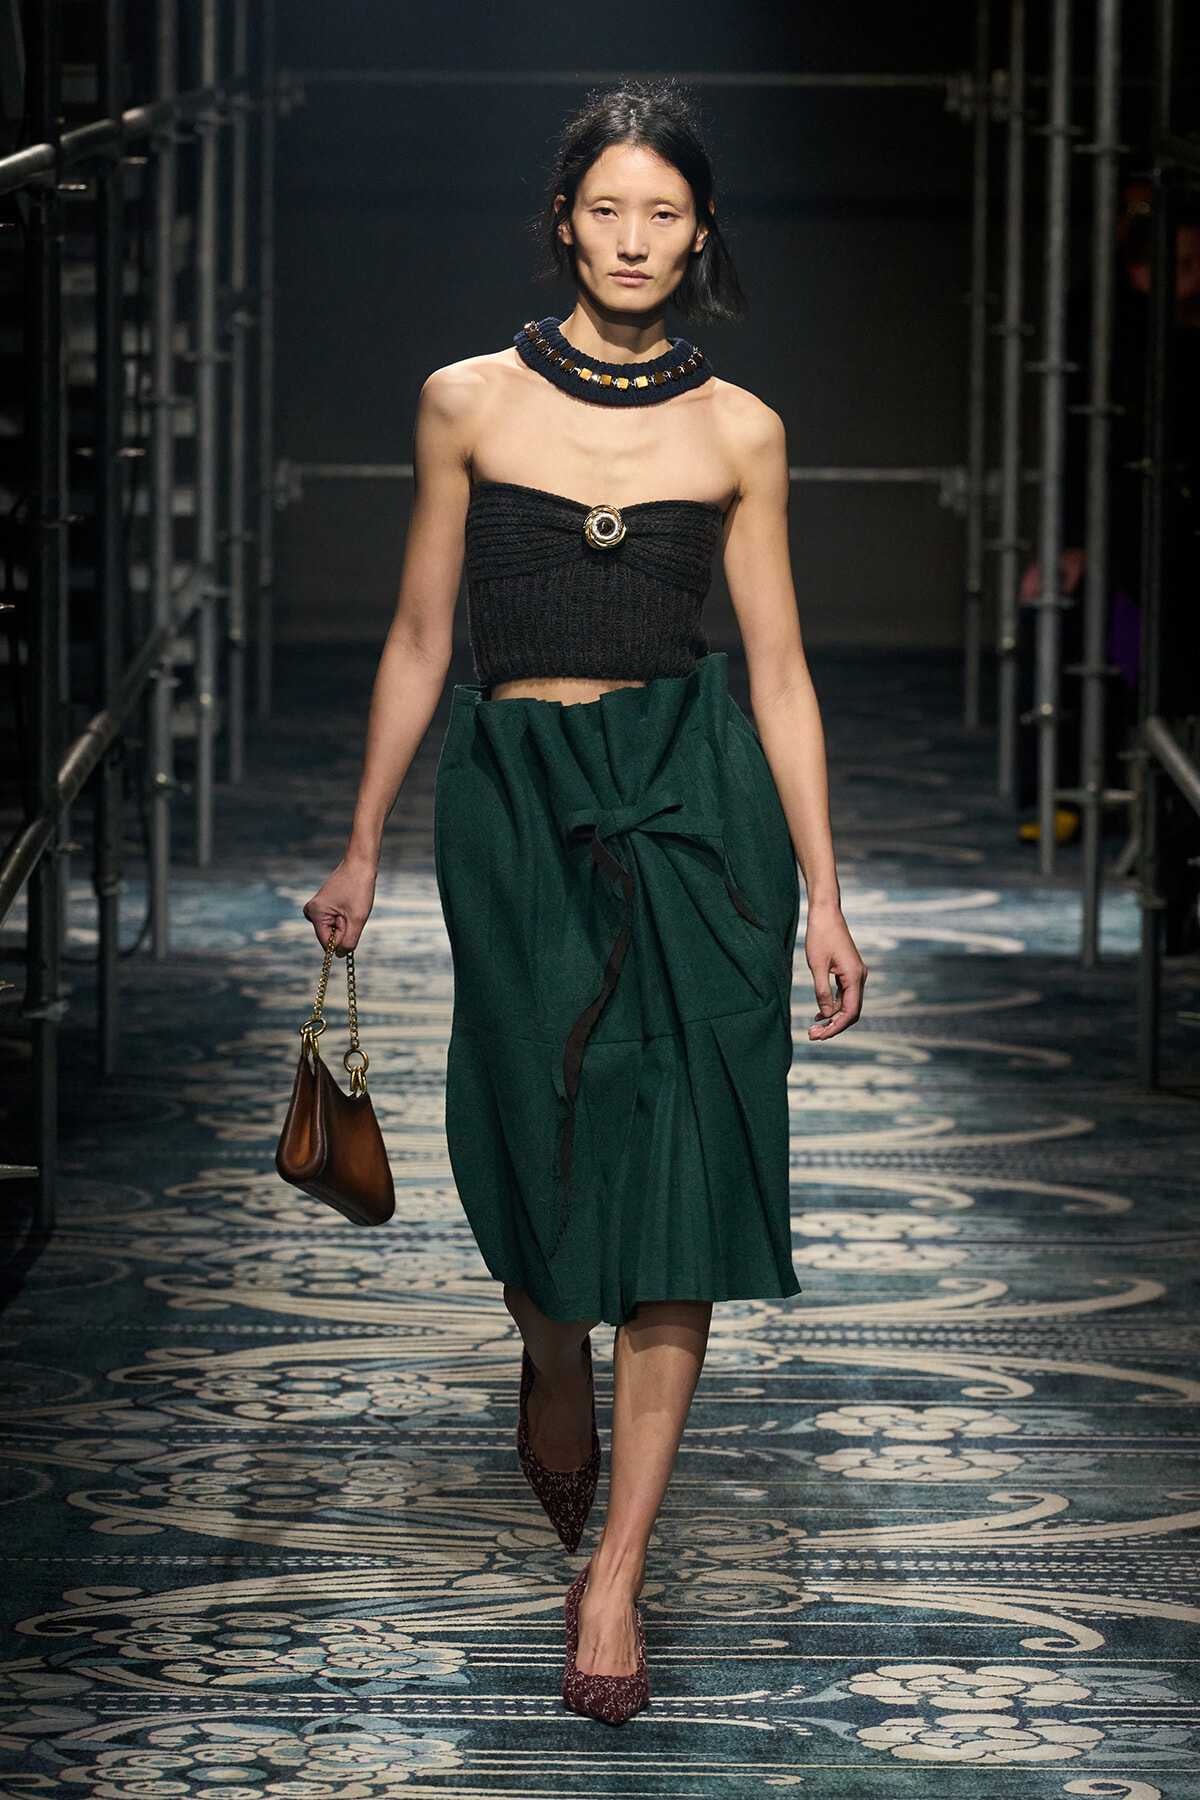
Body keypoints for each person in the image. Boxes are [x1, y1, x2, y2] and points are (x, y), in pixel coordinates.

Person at [303, 83, 866, 1723]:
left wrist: (826, 898)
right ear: (566, 218)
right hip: (516, 806)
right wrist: (357, 844)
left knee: (686, 1157)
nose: (635, 241)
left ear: (702, 233)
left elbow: (778, 672)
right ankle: (550, 1356)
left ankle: (611, 1576)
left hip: (699, 806)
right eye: (608, 210)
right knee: (534, 1136)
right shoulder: (466, 402)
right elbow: (421, 639)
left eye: (666, 216)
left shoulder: (741, 430)